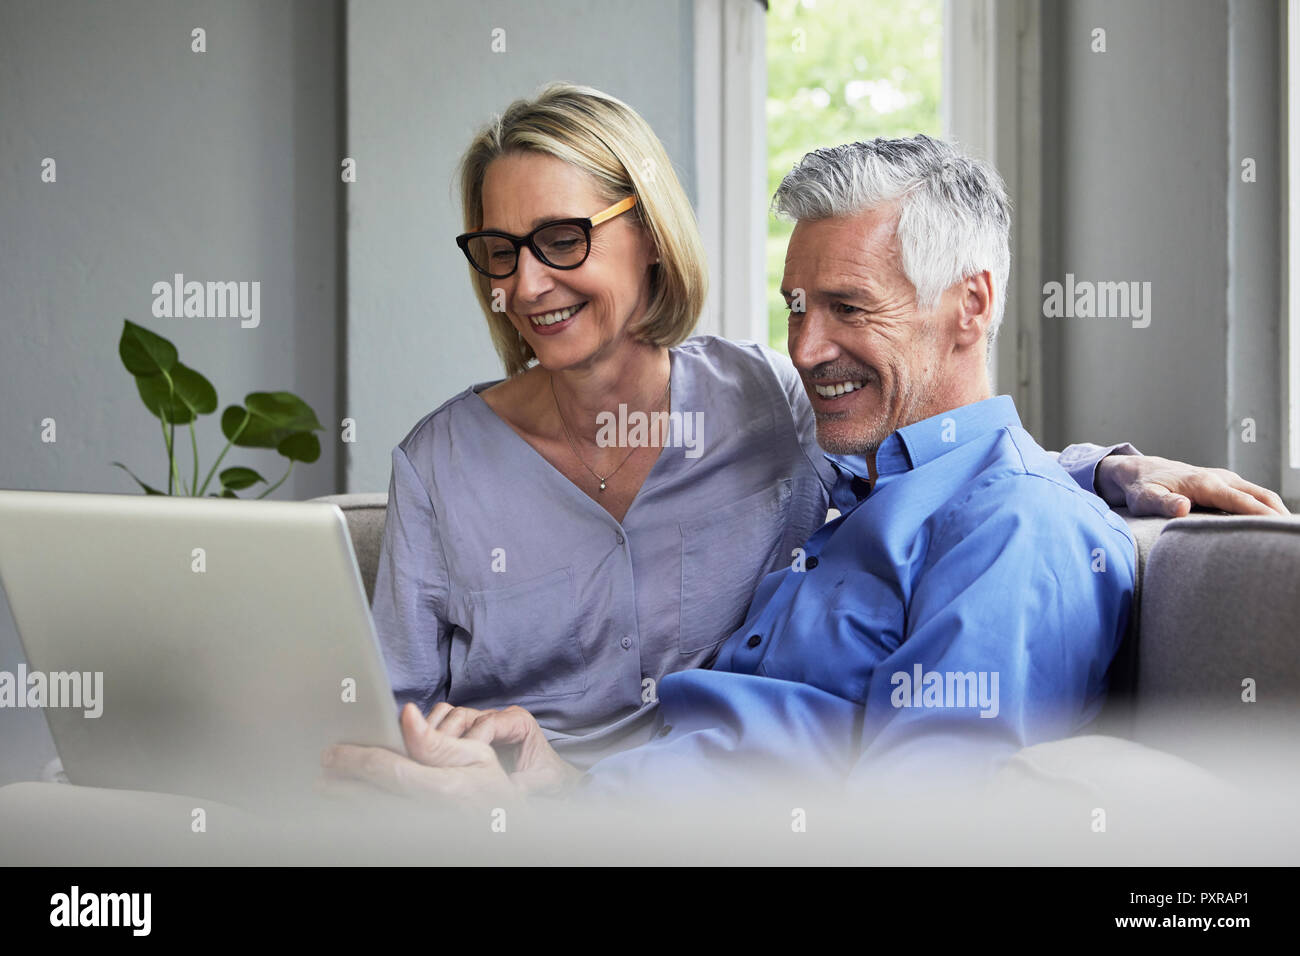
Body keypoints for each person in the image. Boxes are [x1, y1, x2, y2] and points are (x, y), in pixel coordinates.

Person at [368, 84, 1289, 774]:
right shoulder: (445, 463)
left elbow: (983, 492)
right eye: (499, 250)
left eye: (562, 240)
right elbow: (938, 462)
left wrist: (1089, 476)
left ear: (647, 234)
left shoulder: (771, 410)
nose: (807, 351)